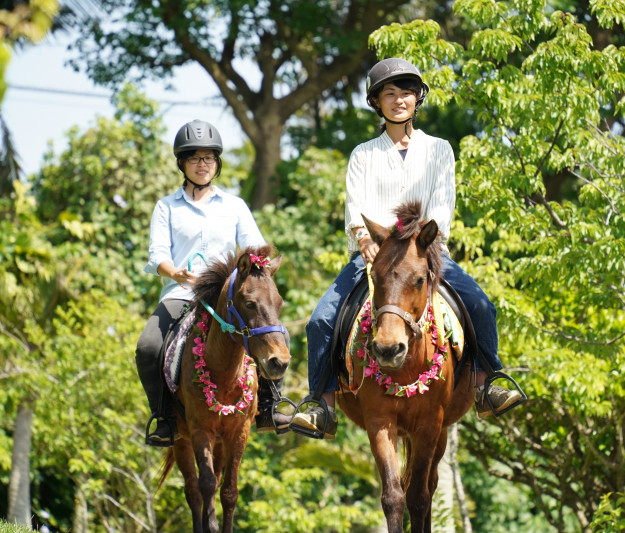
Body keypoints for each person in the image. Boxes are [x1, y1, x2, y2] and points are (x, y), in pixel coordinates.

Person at [290, 58, 524, 439]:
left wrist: (425, 242)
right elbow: (355, 206)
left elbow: (442, 204)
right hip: (374, 255)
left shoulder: (439, 149)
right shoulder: (362, 154)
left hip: (425, 253)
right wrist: (364, 238)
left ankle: (487, 383)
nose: (400, 100)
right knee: (320, 320)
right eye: (390, 94)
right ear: (376, 102)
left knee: (481, 306)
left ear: (418, 99)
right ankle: (322, 404)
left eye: (407, 93)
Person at [135, 119, 290, 446]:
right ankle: (164, 418)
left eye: (209, 158)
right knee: (148, 346)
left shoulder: (234, 206)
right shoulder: (166, 207)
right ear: (182, 163)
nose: (202, 165)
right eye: (194, 158)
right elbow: (157, 255)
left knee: (275, 331)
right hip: (182, 292)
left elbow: (255, 248)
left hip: (227, 298)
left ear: (217, 163)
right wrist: (174, 272)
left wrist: (258, 265)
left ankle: (269, 407)